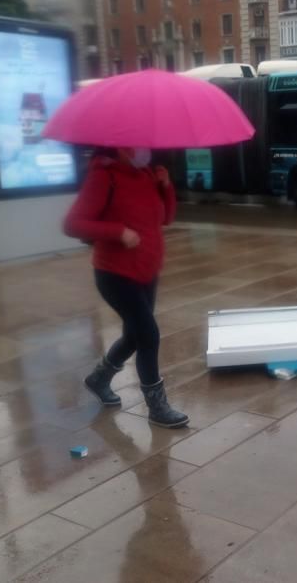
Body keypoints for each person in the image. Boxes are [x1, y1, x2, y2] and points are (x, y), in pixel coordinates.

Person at [64, 147, 188, 429]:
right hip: (115, 273)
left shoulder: (146, 174)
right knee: (148, 334)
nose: (145, 149)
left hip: (147, 270)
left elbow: (166, 217)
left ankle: (98, 379)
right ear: (120, 146)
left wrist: (166, 186)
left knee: (134, 335)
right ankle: (157, 406)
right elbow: (73, 224)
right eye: (138, 143)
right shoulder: (103, 176)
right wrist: (117, 232)